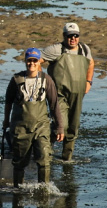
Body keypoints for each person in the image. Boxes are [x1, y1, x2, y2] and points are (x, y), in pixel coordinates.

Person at [3, 48, 64, 187]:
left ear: (39, 62)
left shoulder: (46, 80)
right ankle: (17, 190)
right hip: (20, 128)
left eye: (34, 61)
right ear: (25, 61)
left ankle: (44, 189)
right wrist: (6, 121)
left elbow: (54, 104)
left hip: (41, 126)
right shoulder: (16, 79)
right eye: (29, 60)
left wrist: (60, 127)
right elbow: (8, 101)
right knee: (20, 161)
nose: (31, 63)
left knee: (44, 158)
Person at [40, 22, 95, 161]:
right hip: (59, 94)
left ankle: (67, 159)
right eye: (70, 36)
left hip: (78, 94)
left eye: (76, 36)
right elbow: (37, 60)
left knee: (73, 126)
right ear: (64, 36)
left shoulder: (84, 49)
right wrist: (43, 81)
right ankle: (46, 152)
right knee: (61, 124)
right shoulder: (56, 49)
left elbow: (91, 63)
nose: (73, 39)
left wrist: (89, 82)